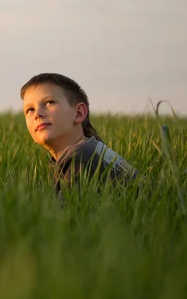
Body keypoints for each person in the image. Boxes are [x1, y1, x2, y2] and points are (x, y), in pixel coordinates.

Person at [20, 72, 140, 202]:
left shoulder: (80, 159)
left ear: (78, 113)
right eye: (30, 110)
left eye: (49, 102)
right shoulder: (91, 149)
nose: (37, 114)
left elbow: (63, 218)